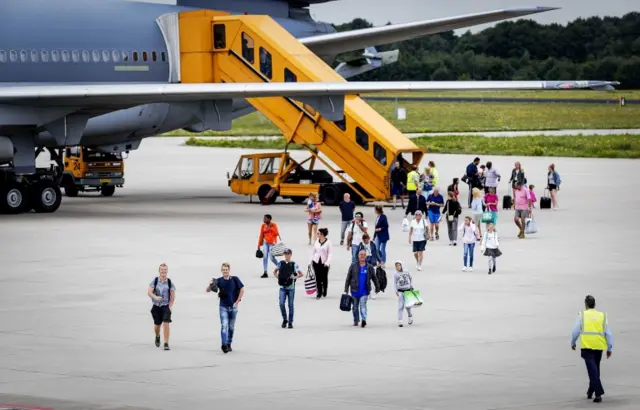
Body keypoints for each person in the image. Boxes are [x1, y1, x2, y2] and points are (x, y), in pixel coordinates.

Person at [570, 295, 614, 403]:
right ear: (594, 304)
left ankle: (598, 393)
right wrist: (609, 348)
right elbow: (608, 333)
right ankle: (590, 391)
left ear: (585, 304)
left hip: (587, 346)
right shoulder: (602, 316)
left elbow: (575, 331)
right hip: (599, 346)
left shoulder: (582, 315)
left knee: (592, 370)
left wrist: (573, 342)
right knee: (595, 369)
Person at [206, 262, 244, 354]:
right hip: (223, 307)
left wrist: (237, 301)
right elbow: (207, 290)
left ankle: (229, 343)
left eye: (226, 270)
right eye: (223, 270)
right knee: (224, 326)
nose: (225, 271)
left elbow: (242, 290)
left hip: (233, 307)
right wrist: (210, 284)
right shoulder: (219, 280)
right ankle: (224, 345)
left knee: (231, 327)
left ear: (229, 270)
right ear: (221, 270)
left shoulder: (235, 279)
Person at [344, 249, 380, 328]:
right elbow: (348, 278)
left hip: (365, 291)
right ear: (358, 256)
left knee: (363, 305)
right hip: (354, 290)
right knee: (355, 307)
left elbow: (374, 278)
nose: (362, 256)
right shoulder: (353, 266)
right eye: (361, 255)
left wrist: (377, 287)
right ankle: (356, 320)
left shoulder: (369, 267)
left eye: (364, 255)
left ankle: (363, 319)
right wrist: (346, 289)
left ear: (366, 256)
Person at [147, 263, 175, 351]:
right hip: (156, 306)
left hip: (165, 306)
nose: (163, 271)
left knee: (166, 322)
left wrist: (170, 307)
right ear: (159, 271)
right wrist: (155, 297)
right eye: (162, 270)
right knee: (157, 326)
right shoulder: (155, 281)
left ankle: (166, 343)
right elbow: (149, 292)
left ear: (167, 271)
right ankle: (157, 335)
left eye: (165, 270)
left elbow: (172, 296)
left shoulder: (170, 283)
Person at [273, 248, 304, 328]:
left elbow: (301, 274)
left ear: (290, 255)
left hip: (291, 288)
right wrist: (279, 278)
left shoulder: (294, 264)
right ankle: (285, 319)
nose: (286, 255)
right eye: (285, 254)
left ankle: (290, 322)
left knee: (290, 305)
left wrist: (294, 277)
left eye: (288, 254)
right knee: (281, 304)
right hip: (282, 287)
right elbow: (274, 271)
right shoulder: (281, 263)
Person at [257, 214, 281, 278]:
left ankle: (280, 266)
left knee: (272, 258)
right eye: (263, 218)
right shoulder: (263, 225)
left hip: (272, 243)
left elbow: (276, 233)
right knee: (265, 257)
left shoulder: (273, 225)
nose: (263, 219)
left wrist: (271, 228)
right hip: (265, 242)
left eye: (265, 218)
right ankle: (265, 272)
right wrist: (259, 244)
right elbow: (261, 235)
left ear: (269, 219)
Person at [311, 227, 332, 299]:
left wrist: (327, 262)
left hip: (324, 263)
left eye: (318, 233)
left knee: (324, 277)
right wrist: (310, 260)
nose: (317, 234)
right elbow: (313, 252)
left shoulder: (328, 242)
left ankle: (325, 289)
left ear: (322, 234)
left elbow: (330, 254)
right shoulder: (317, 241)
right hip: (316, 262)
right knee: (317, 277)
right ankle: (319, 292)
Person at [393, 260, 414, 327]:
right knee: (400, 306)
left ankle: (410, 316)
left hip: (407, 290)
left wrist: (411, 286)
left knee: (408, 306)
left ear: (401, 265)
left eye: (399, 265)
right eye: (396, 266)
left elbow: (411, 279)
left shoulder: (406, 271)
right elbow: (395, 283)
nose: (398, 267)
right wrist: (396, 291)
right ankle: (400, 320)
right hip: (400, 291)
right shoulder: (396, 274)